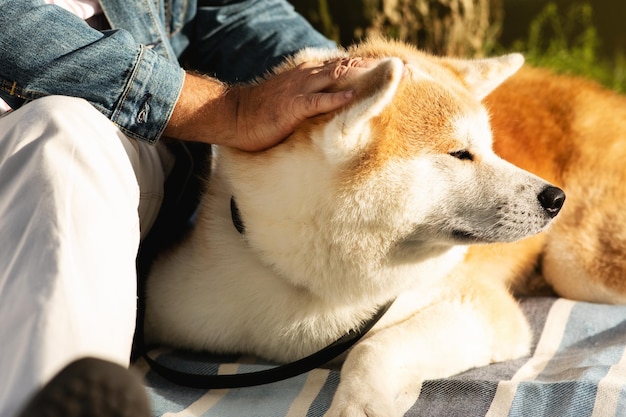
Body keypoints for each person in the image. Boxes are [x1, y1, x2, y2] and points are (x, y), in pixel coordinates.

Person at [0, 1, 372, 416]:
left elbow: (232, 14)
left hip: (116, 149)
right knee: (60, 136)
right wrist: (230, 110)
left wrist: (355, 84)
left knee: (64, 141)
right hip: (65, 138)